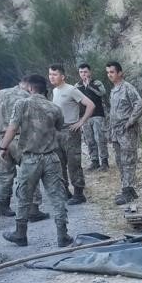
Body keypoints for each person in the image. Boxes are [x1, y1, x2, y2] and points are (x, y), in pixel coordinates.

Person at [0, 74, 72, 248]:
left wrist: (3, 147)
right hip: (51, 158)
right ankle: (63, 235)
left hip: (30, 159)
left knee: (24, 197)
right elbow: (59, 129)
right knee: (57, 197)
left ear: (30, 88)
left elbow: (13, 128)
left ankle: (20, 234)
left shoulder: (22, 104)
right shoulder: (54, 108)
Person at [0, 79, 49, 224]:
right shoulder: (26, 96)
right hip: (21, 138)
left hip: (0, 139)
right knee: (31, 172)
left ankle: (1, 207)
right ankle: (33, 210)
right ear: (29, 86)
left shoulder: (0, 94)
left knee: (2, 177)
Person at [48, 64, 95, 205]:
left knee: (73, 163)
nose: (51, 77)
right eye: (50, 74)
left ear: (62, 76)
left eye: (54, 74)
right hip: (57, 131)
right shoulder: (55, 91)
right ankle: (65, 191)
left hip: (70, 131)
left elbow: (90, 105)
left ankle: (79, 193)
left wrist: (81, 122)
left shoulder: (71, 89)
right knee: (59, 163)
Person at [106, 61, 142, 205]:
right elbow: (113, 112)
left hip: (126, 131)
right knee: (119, 161)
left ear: (120, 73)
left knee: (128, 160)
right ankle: (127, 188)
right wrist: (110, 132)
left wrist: (130, 122)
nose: (110, 75)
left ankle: (127, 191)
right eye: (108, 72)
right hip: (116, 131)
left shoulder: (127, 88)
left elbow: (139, 105)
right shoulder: (114, 89)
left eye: (112, 72)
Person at [76, 63, 110, 171]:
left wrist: (89, 85)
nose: (83, 74)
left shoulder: (97, 82)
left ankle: (104, 162)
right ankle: (94, 161)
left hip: (98, 115)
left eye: (85, 72)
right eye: (81, 72)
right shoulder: (77, 86)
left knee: (100, 139)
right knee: (89, 140)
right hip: (84, 117)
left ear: (90, 72)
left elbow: (102, 93)